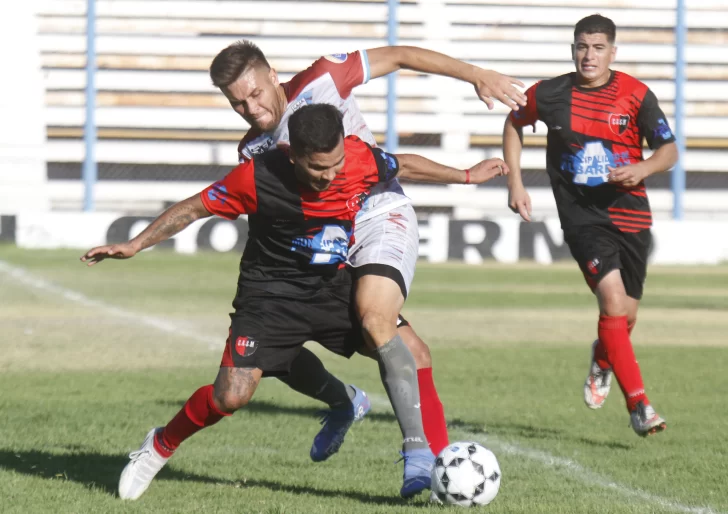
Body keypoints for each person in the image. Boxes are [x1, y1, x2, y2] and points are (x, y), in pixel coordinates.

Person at [81, 104, 509, 500]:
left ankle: (418, 456)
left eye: (336, 163)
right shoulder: (255, 176)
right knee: (232, 395)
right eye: (318, 168)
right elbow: (195, 207)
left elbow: (404, 164)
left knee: (411, 350)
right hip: (270, 293)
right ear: (293, 156)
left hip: (330, 285)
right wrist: (136, 244)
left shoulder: (359, 156)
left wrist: (466, 176)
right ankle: (159, 445)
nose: (329, 175)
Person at [210, 40, 525, 457]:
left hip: (379, 218)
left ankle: (426, 459)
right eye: (238, 103)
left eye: (255, 94)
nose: (251, 109)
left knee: (377, 320)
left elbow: (399, 56)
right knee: (403, 349)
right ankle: (356, 409)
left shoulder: (323, 78)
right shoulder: (253, 151)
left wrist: (477, 76)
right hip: (328, 245)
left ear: (272, 76)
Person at [503, 14, 677, 437]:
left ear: (612, 53)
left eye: (598, 48)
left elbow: (668, 150)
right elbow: (513, 123)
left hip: (631, 214)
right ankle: (639, 405)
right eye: (582, 46)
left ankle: (602, 359)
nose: (588, 55)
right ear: (572, 49)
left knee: (625, 316)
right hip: (582, 216)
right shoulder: (550, 93)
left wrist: (641, 168)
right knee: (613, 301)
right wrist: (515, 180)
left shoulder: (636, 94)